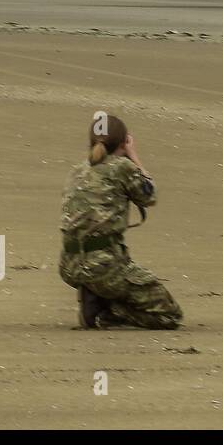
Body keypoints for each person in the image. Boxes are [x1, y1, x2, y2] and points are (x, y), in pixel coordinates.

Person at [59, 114, 183, 330]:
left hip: (69, 264)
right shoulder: (121, 167)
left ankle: (96, 293)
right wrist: (134, 156)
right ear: (123, 142)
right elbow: (149, 195)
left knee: (111, 278)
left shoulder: (77, 170)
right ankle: (105, 313)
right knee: (169, 315)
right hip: (103, 265)